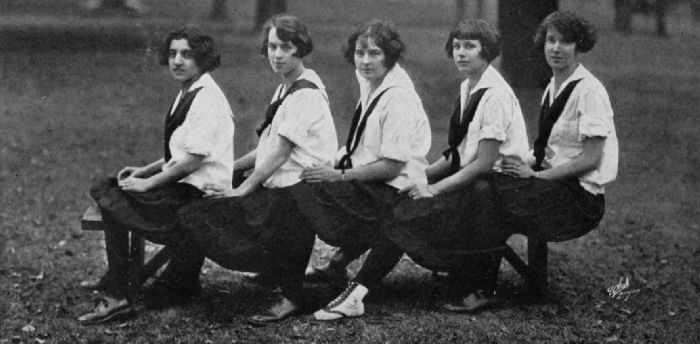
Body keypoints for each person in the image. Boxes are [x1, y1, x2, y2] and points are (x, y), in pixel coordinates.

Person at [313, 19, 529, 320]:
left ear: (487, 51)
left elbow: (483, 163)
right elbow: (456, 156)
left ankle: (357, 294)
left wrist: (432, 188)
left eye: (470, 47)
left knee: (405, 216)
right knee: (402, 203)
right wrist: (420, 177)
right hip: (476, 182)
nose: (461, 54)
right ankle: (343, 272)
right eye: (456, 47)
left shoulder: (494, 95)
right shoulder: (470, 86)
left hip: (499, 190)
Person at [174, 14, 338, 324]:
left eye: (285, 47)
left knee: (208, 211)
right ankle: (181, 282)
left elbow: (280, 152)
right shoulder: (286, 88)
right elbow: (266, 148)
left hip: (300, 191)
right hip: (282, 181)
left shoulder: (305, 92)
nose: (277, 55)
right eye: (272, 47)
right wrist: (231, 169)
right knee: (201, 197)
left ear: (300, 49)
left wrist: (242, 189)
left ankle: (290, 294)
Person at [77, 27, 235, 324]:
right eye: (173, 53)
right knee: (112, 187)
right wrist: (144, 170)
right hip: (183, 190)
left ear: (202, 58)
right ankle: (122, 277)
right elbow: (181, 153)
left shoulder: (207, 99)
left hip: (198, 203)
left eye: (186, 55)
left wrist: (147, 183)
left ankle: (118, 293)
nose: (177, 61)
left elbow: (191, 162)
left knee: (112, 195)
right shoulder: (190, 90)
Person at [283, 20, 431, 320]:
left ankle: (299, 287)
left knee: (299, 191)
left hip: (396, 189)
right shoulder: (373, 82)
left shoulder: (398, 96)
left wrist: (339, 176)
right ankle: (316, 270)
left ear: (389, 56)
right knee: (297, 178)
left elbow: (392, 165)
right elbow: (362, 146)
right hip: (374, 182)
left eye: (374, 53)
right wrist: (333, 164)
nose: (364, 60)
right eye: (359, 52)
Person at [497, 11, 617, 242]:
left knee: (493, 199)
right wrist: (519, 163)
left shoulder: (590, 91)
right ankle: (473, 269)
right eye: (551, 40)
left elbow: (590, 159)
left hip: (580, 199)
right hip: (554, 184)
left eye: (566, 42)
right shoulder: (553, 87)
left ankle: (482, 274)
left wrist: (535, 176)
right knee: (488, 185)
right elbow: (549, 148)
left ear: (579, 45)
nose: (556, 48)